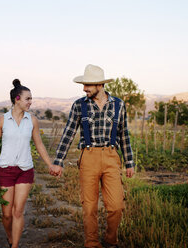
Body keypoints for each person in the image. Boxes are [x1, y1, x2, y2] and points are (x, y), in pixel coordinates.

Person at [53, 64, 135, 248]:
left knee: (116, 206)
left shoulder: (119, 105)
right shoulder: (79, 105)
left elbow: (124, 135)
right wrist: (58, 161)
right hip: (88, 157)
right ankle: (91, 243)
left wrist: (129, 162)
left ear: (100, 85)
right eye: (83, 85)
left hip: (111, 156)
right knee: (89, 207)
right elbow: (68, 133)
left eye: (88, 84)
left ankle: (110, 240)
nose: (84, 88)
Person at [0, 79, 62, 248]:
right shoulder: (2, 120)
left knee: (18, 211)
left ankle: (15, 246)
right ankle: (10, 237)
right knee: (6, 214)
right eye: (28, 99)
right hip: (6, 170)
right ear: (17, 99)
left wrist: (50, 164)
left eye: (31, 99)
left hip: (25, 170)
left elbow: (39, 144)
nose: (31, 102)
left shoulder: (32, 120)